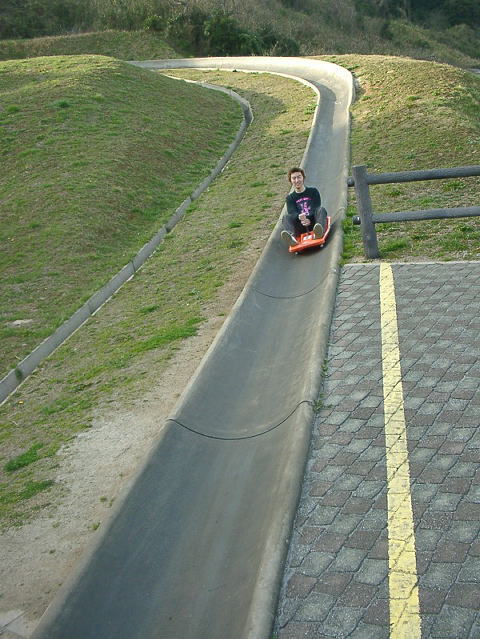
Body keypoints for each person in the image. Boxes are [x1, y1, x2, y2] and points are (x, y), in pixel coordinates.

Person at [281, 167, 327, 247]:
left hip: (314, 222)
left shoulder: (313, 191)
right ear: (291, 181)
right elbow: (292, 212)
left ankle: (319, 232)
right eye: (294, 178)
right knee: (285, 217)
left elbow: (316, 206)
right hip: (300, 225)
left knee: (321, 209)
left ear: (303, 178)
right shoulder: (290, 198)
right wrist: (300, 217)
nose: (297, 180)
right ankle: (292, 238)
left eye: (299, 177)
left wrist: (308, 218)